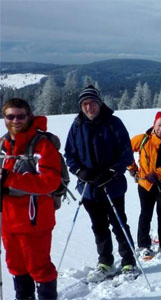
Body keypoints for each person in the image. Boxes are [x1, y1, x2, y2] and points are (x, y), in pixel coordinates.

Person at [64, 85, 138, 283]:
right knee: (99, 227)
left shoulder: (114, 123)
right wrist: (80, 171)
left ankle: (129, 261)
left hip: (112, 186)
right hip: (89, 188)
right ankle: (105, 262)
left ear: (99, 103)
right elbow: (69, 154)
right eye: (85, 104)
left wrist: (113, 171)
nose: (89, 107)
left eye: (92, 103)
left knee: (119, 224)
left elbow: (126, 152)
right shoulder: (77, 125)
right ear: (81, 106)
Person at [0, 98, 59, 299]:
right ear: (4, 117)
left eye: (20, 116)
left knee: (40, 268)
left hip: (35, 221)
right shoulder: (3, 145)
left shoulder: (42, 146)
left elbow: (50, 182)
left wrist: (11, 179)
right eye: (10, 116)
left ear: (29, 117)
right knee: (16, 267)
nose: (15, 120)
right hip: (9, 221)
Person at [127, 111, 161, 257]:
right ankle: (144, 245)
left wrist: (157, 174)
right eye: (159, 125)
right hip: (145, 184)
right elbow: (126, 150)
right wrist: (133, 169)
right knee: (146, 214)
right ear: (154, 124)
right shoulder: (143, 139)